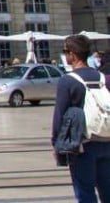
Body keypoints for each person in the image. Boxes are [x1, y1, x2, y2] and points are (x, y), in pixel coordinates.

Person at [52, 34, 110, 202]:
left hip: (82, 145)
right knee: (107, 191)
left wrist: (56, 144)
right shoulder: (104, 79)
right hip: (107, 141)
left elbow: (60, 116)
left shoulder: (67, 81)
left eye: (65, 52)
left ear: (72, 54)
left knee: (85, 192)